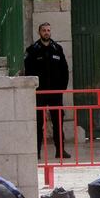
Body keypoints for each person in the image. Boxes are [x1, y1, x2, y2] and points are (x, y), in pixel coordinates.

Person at [24, 22, 71, 159]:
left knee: (58, 122)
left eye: (48, 30)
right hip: (39, 94)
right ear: (39, 32)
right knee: (38, 123)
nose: (46, 32)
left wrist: (61, 89)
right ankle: (36, 152)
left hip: (55, 94)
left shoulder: (57, 49)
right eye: (44, 30)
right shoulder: (32, 50)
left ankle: (60, 151)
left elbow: (65, 71)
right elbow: (28, 72)